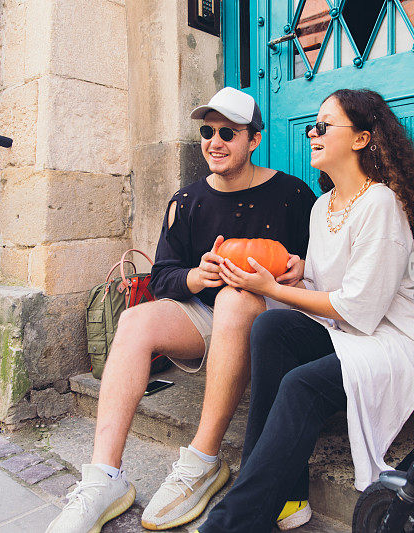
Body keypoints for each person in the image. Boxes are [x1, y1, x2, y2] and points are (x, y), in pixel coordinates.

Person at [45, 87, 316, 533]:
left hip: (274, 319)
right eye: (207, 131)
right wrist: (197, 276)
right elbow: (163, 277)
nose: (215, 141)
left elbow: (322, 265)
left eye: (228, 132)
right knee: (134, 320)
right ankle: (104, 478)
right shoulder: (186, 201)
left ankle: (202, 461)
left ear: (255, 140)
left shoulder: (291, 193)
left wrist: (301, 267)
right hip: (209, 318)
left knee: (237, 297)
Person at [197, 88, 414, 532]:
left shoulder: (380, 203)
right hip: (346, 331)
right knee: (271, 327)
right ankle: (287, 496)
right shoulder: (320, 207)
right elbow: (330, 284)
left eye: (325, 125)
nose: (313, 132)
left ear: (361, 139)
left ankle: (234, 522)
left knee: (301, 383)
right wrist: (301, 271)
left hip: (391, 337)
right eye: (314, 124)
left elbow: (357, 306)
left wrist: (271, 286)